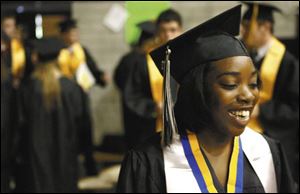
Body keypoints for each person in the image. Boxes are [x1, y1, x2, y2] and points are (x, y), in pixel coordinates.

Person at [117, 5, 296, 193]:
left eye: (253, 84)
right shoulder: (148, 163)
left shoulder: (267, 152)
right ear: (197, 91)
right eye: (230, 84)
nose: (248, 95)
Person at [14, 38, 94, 193]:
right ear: (59, 58)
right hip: (66, 152)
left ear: (36, 57)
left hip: (35, 155)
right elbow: (83, 123)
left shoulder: (29, 88)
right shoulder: (72, 88)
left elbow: (20, 123)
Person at [241, 2, 299, 186]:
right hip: (245, 138)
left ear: (265, 27)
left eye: (247, 26)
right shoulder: (245, 56)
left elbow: (295, 109)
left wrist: (262, 111)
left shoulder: (287, 62)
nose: (243, 32)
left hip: (276, 143)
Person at [122, 9, 182, 149]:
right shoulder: (144, 61)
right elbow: (133, 96)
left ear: (180, 30)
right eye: (163, 30)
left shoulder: (190, 58)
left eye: (173, 30)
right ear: (157, 33)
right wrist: (154, 107)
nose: (168, 35)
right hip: (152, 129)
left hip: (184, 129)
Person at [114, 20, 157, 149]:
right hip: (149, 111)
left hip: (129, 109)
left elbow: (117, 80)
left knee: (132, 145)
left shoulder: (127, 59)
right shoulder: (148, 61)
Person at [58, 18, 108, 91]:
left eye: (76, 33)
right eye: (72, 33)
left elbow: (92, 67)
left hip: (80, 88)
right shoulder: (58, 51)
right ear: (64, 35)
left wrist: (101, 76)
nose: (76, 36)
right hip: (62, 88)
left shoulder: (82, 50)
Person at [1, 11, 33, 88]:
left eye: (13, 25)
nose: (12, 29)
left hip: (20, 87)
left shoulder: (21, 46)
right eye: (7, 26)